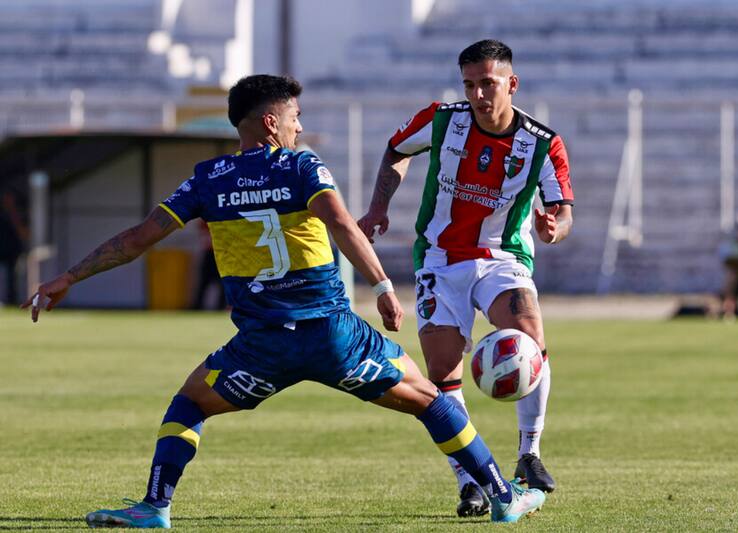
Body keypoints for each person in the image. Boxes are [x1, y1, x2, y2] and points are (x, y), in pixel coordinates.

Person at [22, 74, 546, 527]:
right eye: (294, 117)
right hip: (335, 337)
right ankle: (503, 496)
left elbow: (138, 238)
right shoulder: (301, 167)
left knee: (190, 403)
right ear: (271, 123)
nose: (299, 125)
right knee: (431, 401)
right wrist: (383, 287)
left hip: (262, 347)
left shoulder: (208, 179)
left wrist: (68, 277)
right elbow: (343, 224)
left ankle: (155, 505)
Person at [358, 39, 574, 517]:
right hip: (439, 258)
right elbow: (395, 149)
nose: (477, 94)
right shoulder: (442, 119)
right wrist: (378, 208)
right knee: (442, 370)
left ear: (512, 84)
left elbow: (562, 212)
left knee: (530, 336)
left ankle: (529, 454)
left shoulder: (542, 143)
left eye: (488, 84)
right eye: (469, 84)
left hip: (502, 256)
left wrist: (553, 228)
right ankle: (470, 480)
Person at [0, 189, 28, 305]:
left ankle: (11, 300)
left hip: (13, 251)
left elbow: (24, 233)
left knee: (12, 278)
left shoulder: (18, 215)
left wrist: (13, 213)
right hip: (1, 249)